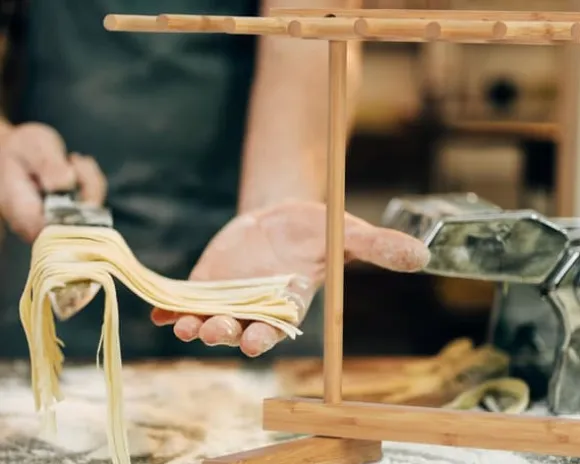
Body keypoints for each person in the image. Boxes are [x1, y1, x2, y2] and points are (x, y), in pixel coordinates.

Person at [0, 0, 429, 361]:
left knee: (253, 414)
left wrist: (275, 209)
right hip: (57, 237)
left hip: (249, 241)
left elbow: (310, 26)